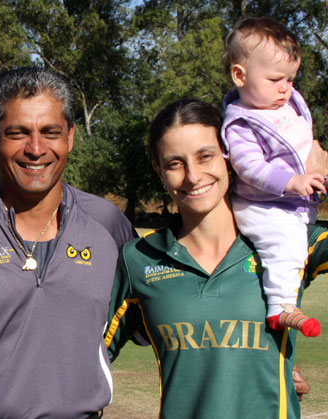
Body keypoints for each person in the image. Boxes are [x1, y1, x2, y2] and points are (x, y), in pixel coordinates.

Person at [0, 67, 135, 418]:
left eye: (50, 132)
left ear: (70, 137)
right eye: (17, 133)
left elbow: (142, 319)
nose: (36, 149)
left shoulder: (109, 225)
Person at [105, 99, 328, 419]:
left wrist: (320, 176)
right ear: (159, 171)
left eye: (205, 156)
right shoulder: (139, 259)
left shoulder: (288, 239)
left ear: (231, 157)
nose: (193, 176)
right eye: (175, 163)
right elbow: (88, 363)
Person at [221, 17, 324, 336]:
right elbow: (249, 167)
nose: (286, 88)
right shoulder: (242, 123)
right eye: (276, 79)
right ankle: (281, 308)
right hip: (263, 207)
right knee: (286, 247)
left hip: (296, 202)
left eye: (292, 79)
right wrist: (291, 182)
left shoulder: (287, 107)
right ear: (240, 75)